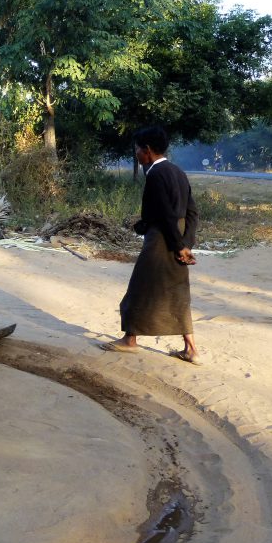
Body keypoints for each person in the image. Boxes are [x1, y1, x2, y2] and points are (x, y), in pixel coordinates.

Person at [102, 126, 201, 364]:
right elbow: (192, 212)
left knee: (140, 288)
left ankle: (130, 341)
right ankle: (191, 349)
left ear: (147, 150)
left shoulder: (155, 174)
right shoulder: (178, 171)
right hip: (178, 236)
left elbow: (165, 215)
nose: (136, 153)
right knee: (177, 292)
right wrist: (187, 243)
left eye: (137, 149)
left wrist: (177, 246)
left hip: (161, 239)